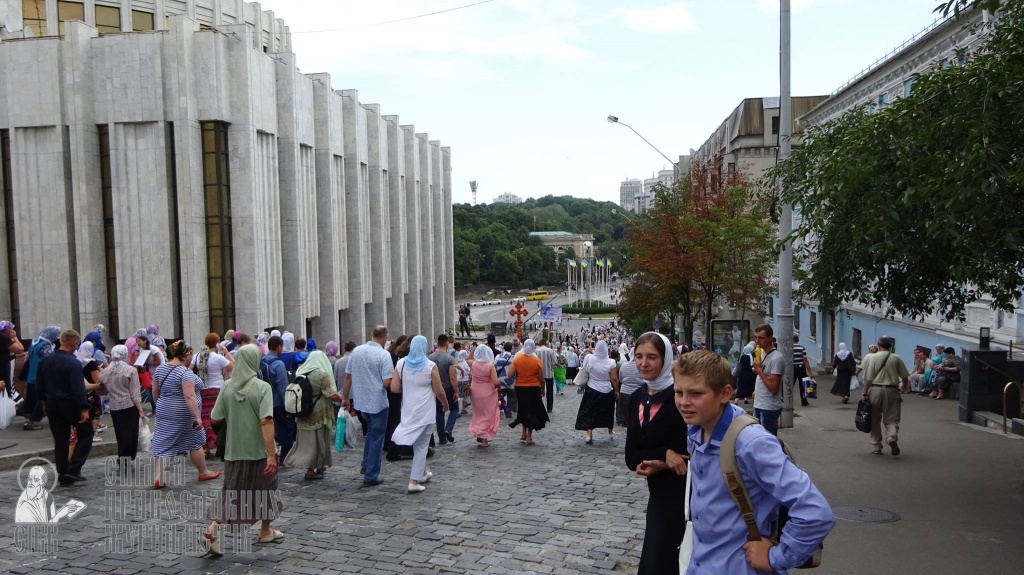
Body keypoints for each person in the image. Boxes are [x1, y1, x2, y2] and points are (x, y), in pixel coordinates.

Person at [674, 350, 835, 573]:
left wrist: (776, 557)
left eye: (695, 393)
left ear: (725, 394)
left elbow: (815, 512)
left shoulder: (750, 443)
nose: (684, 402)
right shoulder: (696, 429)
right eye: (678, 392)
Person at [204, 344, 283, 556]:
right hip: (258, 451)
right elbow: (266, 421)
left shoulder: (227, 387)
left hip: (233, 451)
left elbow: (215, 418)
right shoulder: (262, 387)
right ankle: (265, 530)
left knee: (230, 493)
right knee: (267, 489)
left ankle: (213, 529)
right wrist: (271, 455)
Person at [625, 332, 687, 575]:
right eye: (638, 356)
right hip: (659, 496)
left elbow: (697, 449)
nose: (644, 363)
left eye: (652, 357)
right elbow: (631, 457)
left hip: (688, 496)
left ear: (665, 359)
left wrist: (670, 458)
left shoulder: (680, 397)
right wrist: (664, 455)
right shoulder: (637, 398)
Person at [151, 340, 221, 487]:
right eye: (190, 354)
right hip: (184, 412)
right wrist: (197, 417)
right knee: (195, 441)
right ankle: (203, 472)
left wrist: (161, 405)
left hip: (164, 409)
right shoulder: (185, 373)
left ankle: (159, 476)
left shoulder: (160, 369)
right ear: (186, 354)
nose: (191, 357)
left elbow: (155, 391)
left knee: (164, 440)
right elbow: (189, 395)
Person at [390, 336, 448, 493]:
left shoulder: (401, 364)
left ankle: (422, 473)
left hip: (408, 409)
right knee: (422, 445)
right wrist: (445, 404)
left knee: (418, 445)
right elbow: (439, 390)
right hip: (425, 409)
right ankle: (414, 481)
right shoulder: (430, 366)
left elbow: (394, 388)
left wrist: (409, 388)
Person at [37, 329, 93, 485]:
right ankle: (73, 469)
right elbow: (78, 388)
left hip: (51, 403)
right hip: (69, 403)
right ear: (75, 343)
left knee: (60, 439)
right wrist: (84, 408)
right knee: (86, 433)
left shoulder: (45, 361)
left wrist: (43, 403)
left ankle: (62, 472)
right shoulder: (73, 362)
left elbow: (39, 385)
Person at [343, 326, 394, 487]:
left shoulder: (356, 351)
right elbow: (387, 382)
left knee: (371, 434)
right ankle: (371, 474)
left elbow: (348, 376)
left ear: (371, 335)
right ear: (385, 338)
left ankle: (366, 465)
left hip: (360, 401)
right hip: (377, 402)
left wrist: (345, 397)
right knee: (377, 437)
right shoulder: (384, 354)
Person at [285, 350, 343, 480]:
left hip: (303, 413)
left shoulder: (300, 371)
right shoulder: (321, 374)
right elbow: (332, 394)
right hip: (319, 414)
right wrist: (342, 399)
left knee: (307, 443)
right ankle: (312, 470)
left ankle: (316, 466)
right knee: (319, 442)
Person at [860, 336, 910, 456]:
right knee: (892, 419)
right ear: (891, 346)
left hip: (875, 390)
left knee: (874, 419)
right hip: (892, 391)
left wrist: (865, 393)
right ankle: (891, 437)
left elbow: (868, 378)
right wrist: (904, 386)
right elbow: (905, 376)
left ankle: (876, 446)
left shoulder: (873, 357)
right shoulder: (896, 358)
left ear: (878, 345)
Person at [191, 333, 235, 456]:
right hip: (217, 390)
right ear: (217, 343)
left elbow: (189, 370)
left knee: (204, 417)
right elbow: (233, 364)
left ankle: (206, 446)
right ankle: (217, 440)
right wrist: (226, 352)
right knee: (217, 417)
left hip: (202, 390)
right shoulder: (218, 357)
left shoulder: (198, 356)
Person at [100, 344, 144, 462]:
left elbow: (101, 389)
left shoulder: (106, 371)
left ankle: (122, 454)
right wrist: (140, 409)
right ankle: (128, 456)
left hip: (114, 406)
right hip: (128, 405)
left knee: (120, 432)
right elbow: (135, 393)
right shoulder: (130, 370)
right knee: (131, 433)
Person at [574, 341, 620, 444]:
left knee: (590, 410)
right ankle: (610, 431)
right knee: (608, 411)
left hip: (592, 387)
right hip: (606, 388)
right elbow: (614, 378)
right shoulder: (611, 362)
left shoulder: (589, 358)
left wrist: (589, 350)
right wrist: (617, 390)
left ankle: (589, 434)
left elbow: (585, 366)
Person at [507, 339, 548, 445]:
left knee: (523, 409)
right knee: (532, 411)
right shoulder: (537, 360)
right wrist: (543, 389)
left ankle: (523, 433)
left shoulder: (517, 359)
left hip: (520, 388)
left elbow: (510, 374)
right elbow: (541, 378)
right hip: (533, 387)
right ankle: (529, 436)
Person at [261, 336, 293, 463]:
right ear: (279, 347)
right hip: (278, 403)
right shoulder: (279, 364)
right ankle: (286, 456)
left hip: (265, 401)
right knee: (287, 429)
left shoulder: (262, 361)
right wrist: (288, 407)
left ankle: (270, 453)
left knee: (271, 428)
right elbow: (282, 388)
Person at [23, 325, 62, 430]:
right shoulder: (45, 345)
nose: (57, 336)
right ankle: (33, 421)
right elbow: (49, 360)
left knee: (34, 398)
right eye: (56, 334)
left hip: (32, 375)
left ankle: (31, 417)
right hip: (41, 376)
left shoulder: (35, 342)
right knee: (42, 400)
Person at [752, 324, 784, 436]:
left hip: (769, 406)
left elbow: (774, 388)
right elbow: (760, 374)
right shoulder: (761, 352)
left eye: (761, 338)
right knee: (757, 438)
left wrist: (759, 371)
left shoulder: (776, 358)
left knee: (767, 440)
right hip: (758, 403)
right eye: (755, 337)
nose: (757, 341)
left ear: (770, 338)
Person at [467, 343, 501, 447]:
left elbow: (467, 358)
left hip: (475, 391)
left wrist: (473, 350)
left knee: (478, 414)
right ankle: (484, 439)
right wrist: (498, 387)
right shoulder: (490, 366)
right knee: (487, 415)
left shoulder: (473, 363)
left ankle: (480, 433)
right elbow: (495, 381)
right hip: (488, 392)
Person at [428, 334, 459, 445]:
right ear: (447, 343)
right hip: (448, 387)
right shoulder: (450, 358)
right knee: (454, 409)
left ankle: (442, 438)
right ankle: (448, 429)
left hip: (435, 388)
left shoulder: (430, 357)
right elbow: (452, 377)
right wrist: (456, 391)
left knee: (439, 412)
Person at [617, 356, 644, 427]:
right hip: (639, 391)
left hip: (625, 391)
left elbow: (620, 378)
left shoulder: (624, 365)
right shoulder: (642, 365)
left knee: (625, 410)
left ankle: (625, 422)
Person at [536, 339, 558, 414]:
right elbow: (555, 362)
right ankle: (549, 408)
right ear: (546, 343)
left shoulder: (536, 351)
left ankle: (539, 407)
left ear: (539, 343)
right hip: (549, 374)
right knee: (550, 391)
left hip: (539, 375)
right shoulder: (550, 351)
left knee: (539, 391)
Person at [793, 335, 814, 407]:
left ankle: (787, 400)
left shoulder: (789, 348)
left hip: (792, 368)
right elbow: (805, 361)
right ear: (798, 340)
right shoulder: (802, 348)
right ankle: (804, 401)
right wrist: (810, 373)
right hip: (801, 368)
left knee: (789, 385)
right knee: (802, 385)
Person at [455, 350, 471, 414]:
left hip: (458, 380)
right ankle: (460, 408)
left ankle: (462, 408)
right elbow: (469, 372)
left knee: (461, 394)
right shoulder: (465, 363)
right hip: (465, 380)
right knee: (464, 395)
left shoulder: (457, 363)